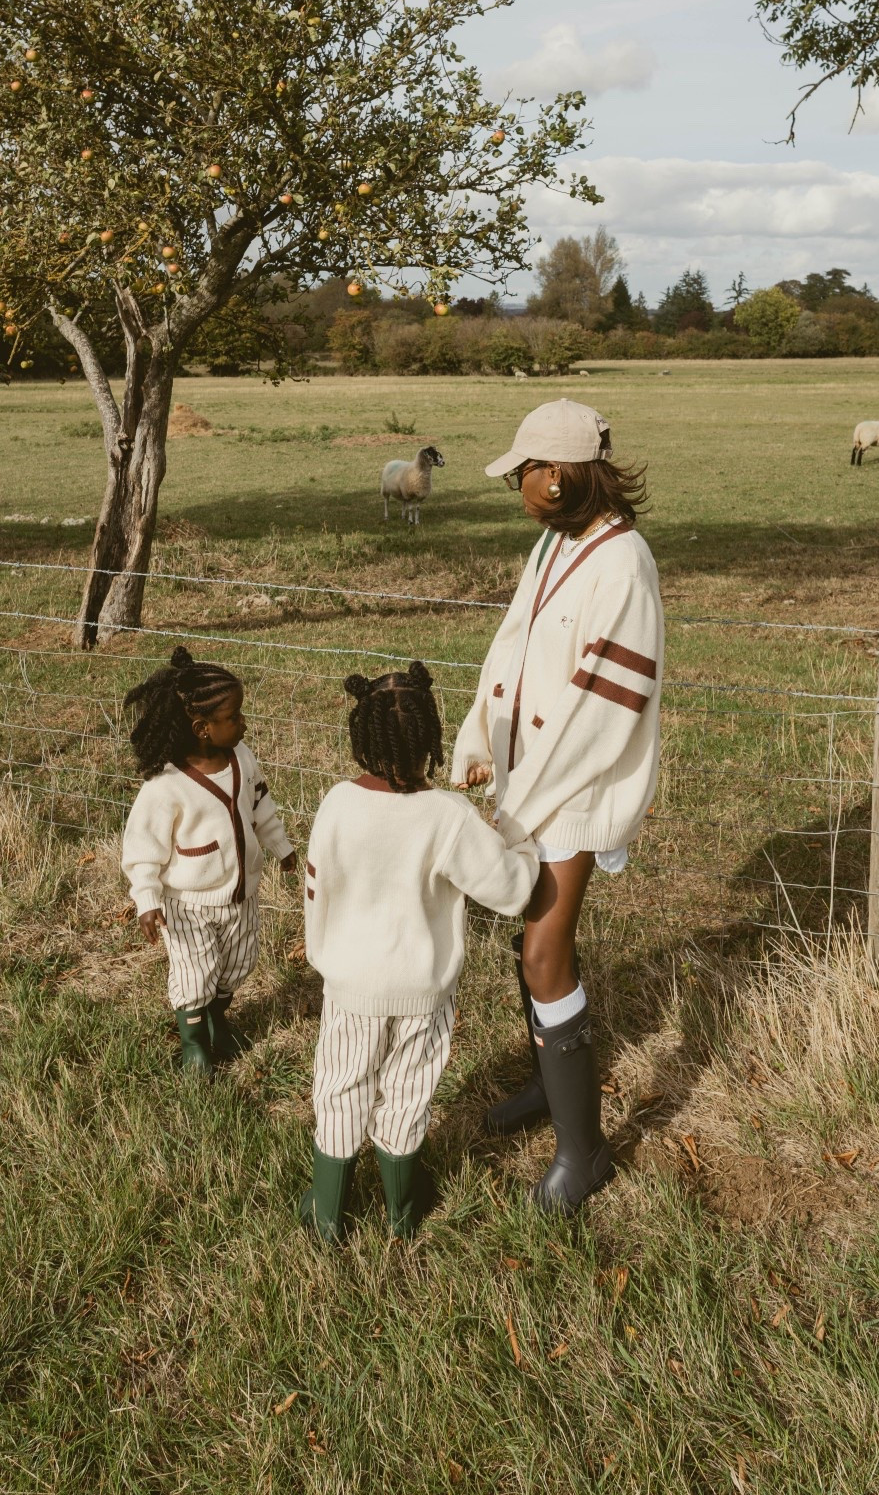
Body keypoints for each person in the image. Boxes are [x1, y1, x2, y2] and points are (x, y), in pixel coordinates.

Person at [450, 399, 663, 1212]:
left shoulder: (623, 561)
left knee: (545, 948)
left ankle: (585, 1151)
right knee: (528, 936)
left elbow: (611, 702)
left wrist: (527, 796)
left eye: (526, 473)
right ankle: (550, 1088)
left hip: (573, 785)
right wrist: (480, 737)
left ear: (561, 472)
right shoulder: (554, 543)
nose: (519, 488)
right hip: (526, 773)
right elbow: (511, 641)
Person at [300, 662, 538, 1243]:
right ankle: (402, 1209)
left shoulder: (336, 804)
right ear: (433, 738)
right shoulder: (448, 819)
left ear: (361, 737)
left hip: (350, 982)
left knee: (340, 1085)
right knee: (408, 1090)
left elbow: (315, 889)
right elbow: (512, 892)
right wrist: (522, 839)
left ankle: (328, 1209)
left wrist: (322, 956)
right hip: (421, 991)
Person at [121, 646, 296, 1076]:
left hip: (242, 893)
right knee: (195, 973)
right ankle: (194, 1042)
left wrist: (281, 847)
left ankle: (218, 1016)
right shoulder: (166, 786)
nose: (243, 723)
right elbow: (142, 849)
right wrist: (146, 898)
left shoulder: (243, 760)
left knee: (238, 964)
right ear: (201, 728)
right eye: (234, 717)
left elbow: (261, 808)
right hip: (188, 902)